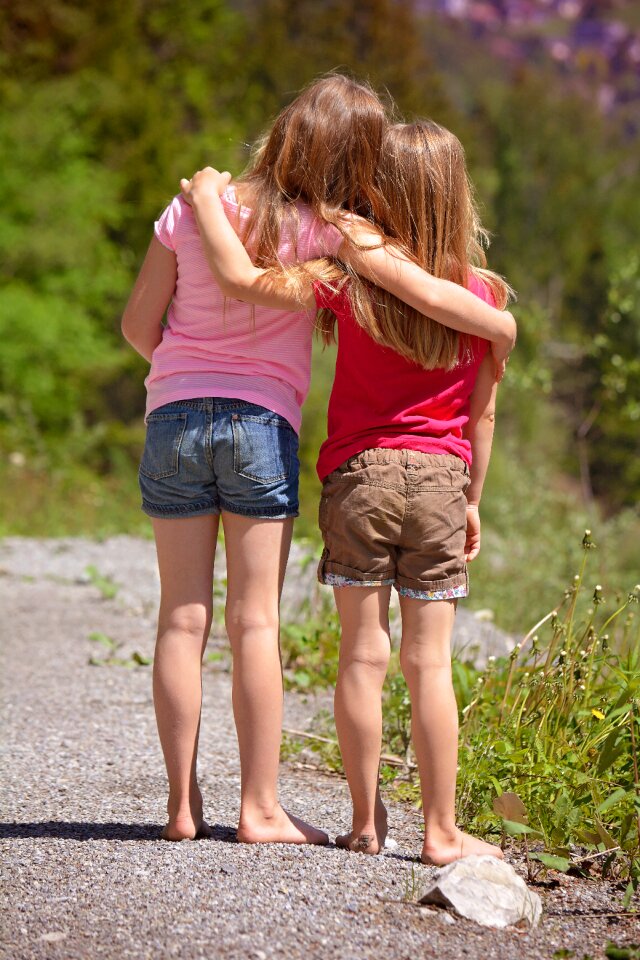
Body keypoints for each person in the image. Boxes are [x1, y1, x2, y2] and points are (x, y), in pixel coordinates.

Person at [123, 74, 516, 846]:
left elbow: (140, 328)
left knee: (180, 616)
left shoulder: (188, 209)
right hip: (264, 427)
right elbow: (426, 294)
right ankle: (260, 808)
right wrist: (500, 328)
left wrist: (186, 362)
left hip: (174, 413)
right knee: (255, 620)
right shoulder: (327, 235)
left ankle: (179, 808)